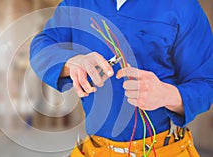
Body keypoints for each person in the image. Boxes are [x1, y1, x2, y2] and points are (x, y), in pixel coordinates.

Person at [30, 0, 213, 156]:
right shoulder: (78, 3)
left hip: (163, 149)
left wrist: (167, 95)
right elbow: (42, 46)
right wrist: (71, 63)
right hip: (95, 149)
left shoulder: (182, 6)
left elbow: (206, 84)